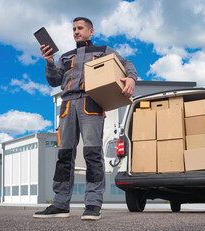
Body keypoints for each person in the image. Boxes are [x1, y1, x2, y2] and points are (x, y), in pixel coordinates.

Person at [33, 17, 137, 220]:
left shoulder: (104, 50)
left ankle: (92, 204)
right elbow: (54, 81)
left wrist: (131, 78)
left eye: (80, 28)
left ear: (91, 31)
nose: (76, 32)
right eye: (73, 29)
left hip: (91, 102)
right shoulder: (66, 56)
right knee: (64, 156)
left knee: (92, 153)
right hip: (67, 105)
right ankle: (60, 204)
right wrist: (49, 62)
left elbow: (126, 63)